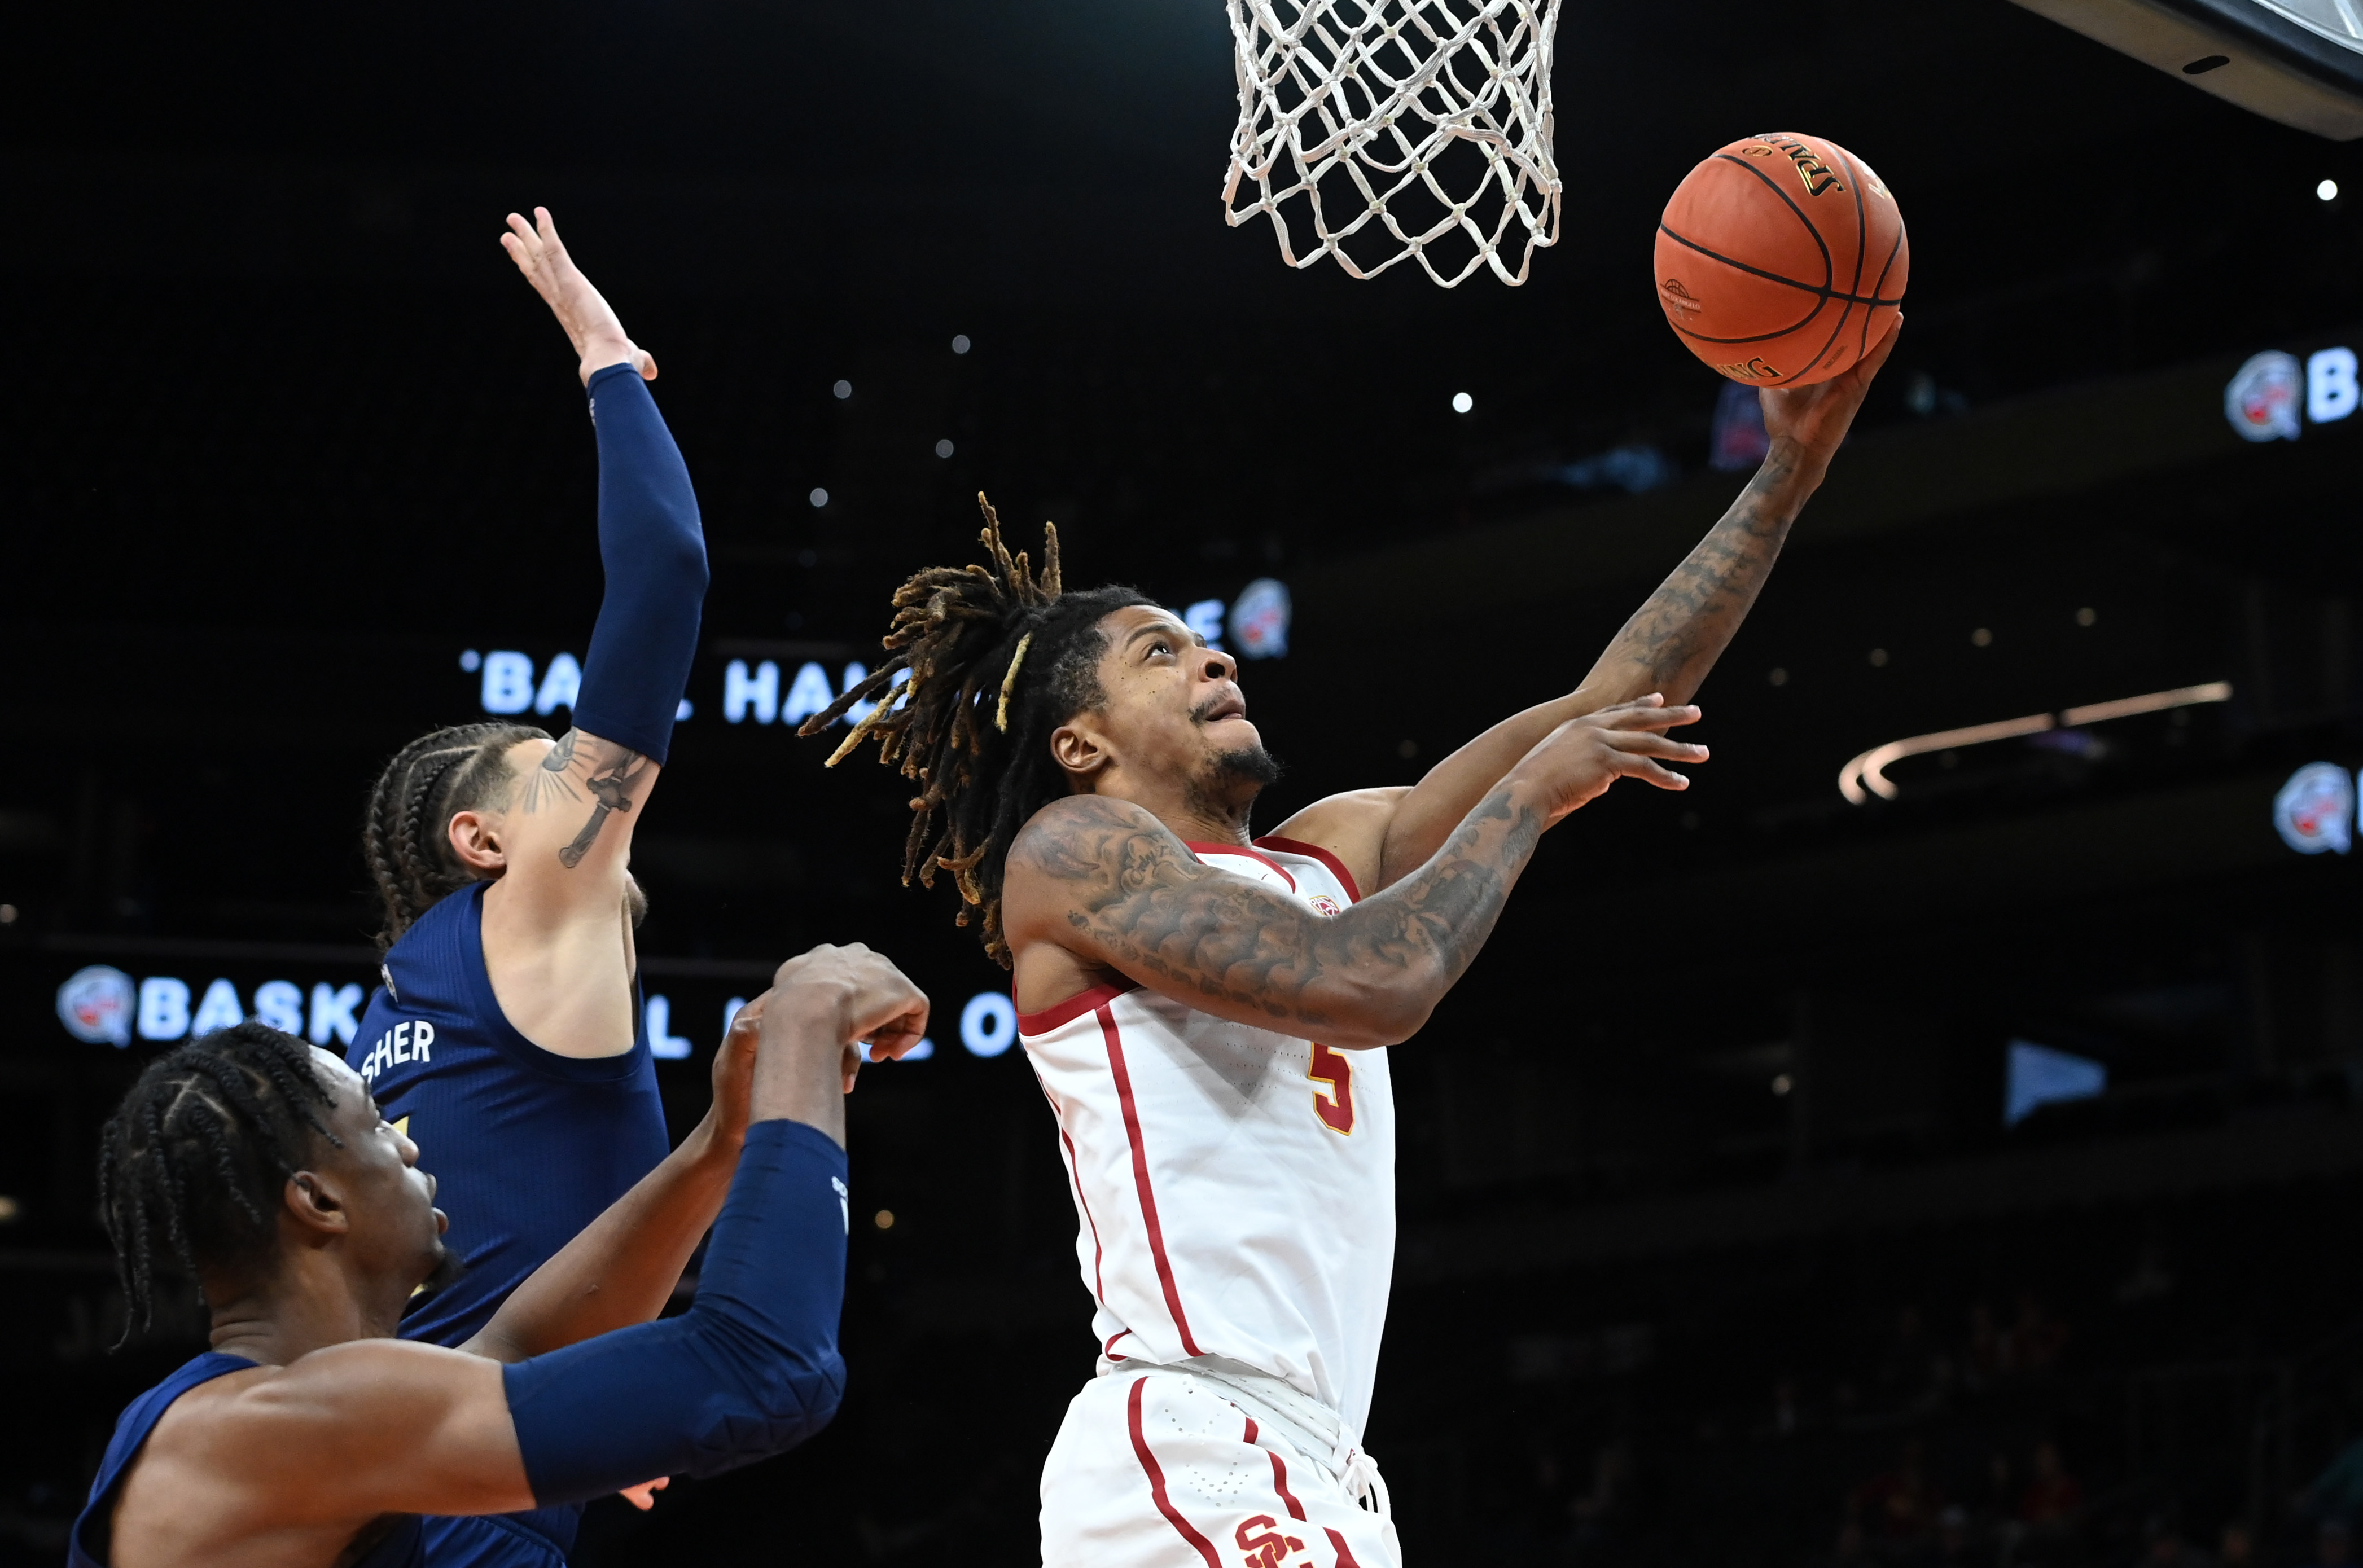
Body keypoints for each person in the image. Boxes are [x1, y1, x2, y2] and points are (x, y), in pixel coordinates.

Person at [804, 319, 1899, 1566]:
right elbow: (1376, 981)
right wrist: (1531, 798)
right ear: (1080, 746)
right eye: (1159, 653)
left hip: (1324, 1461)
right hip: (1196, 1433)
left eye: (1200, 638)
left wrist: (1786, 474)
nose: (1212, 654)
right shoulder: (1072, 857)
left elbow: (1609, 709)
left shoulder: (1329, 850)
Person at [71, 945, 927, 1568]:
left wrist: (723, 1140)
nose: (409, 1150)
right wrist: (809, 1025)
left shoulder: (269, 1419)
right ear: (318, 1201)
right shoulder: (271, 1426)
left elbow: (517, 1352)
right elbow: (768, 1372)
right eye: (376, 1128)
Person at [348, 207, 707, 1563]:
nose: (592, 777)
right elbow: (666, 572)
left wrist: (602, 1376)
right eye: (551, 765)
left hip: (358, 1467)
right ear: (488, 842)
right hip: (458, 1496)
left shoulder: (386, 1014)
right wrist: (604, 351)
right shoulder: (529, 910)